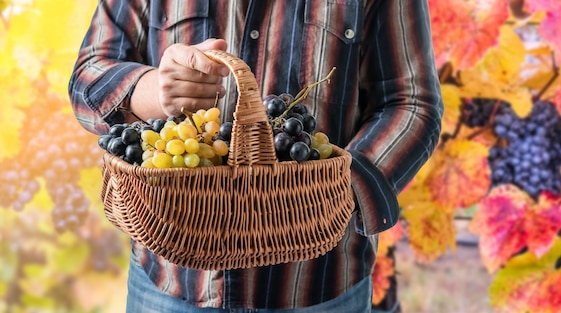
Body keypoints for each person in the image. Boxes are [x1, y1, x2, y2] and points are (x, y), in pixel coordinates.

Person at [69, 1, 443, 312]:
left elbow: (412, 103)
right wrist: (150, 91)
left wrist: (336, 195)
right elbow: (88, 74)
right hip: (168, 285)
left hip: (318, 286)